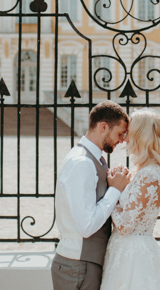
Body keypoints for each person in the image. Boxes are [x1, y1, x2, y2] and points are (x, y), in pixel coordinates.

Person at [100, 109, 160, 290]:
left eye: (128, 134)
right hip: (123, 252)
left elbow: (125, 226)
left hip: (134, 257)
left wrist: (113, 190)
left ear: (140, 136)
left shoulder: (150, 174)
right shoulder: (142, 171)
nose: (124, 139)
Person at [52, 101, 130, 290]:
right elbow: (86, 226)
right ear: (103, 126)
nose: (121, 140)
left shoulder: (91, 160)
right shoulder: (82, 163)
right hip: (78, 265)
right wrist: (115, 190)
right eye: (119, 133)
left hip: (82, 264)